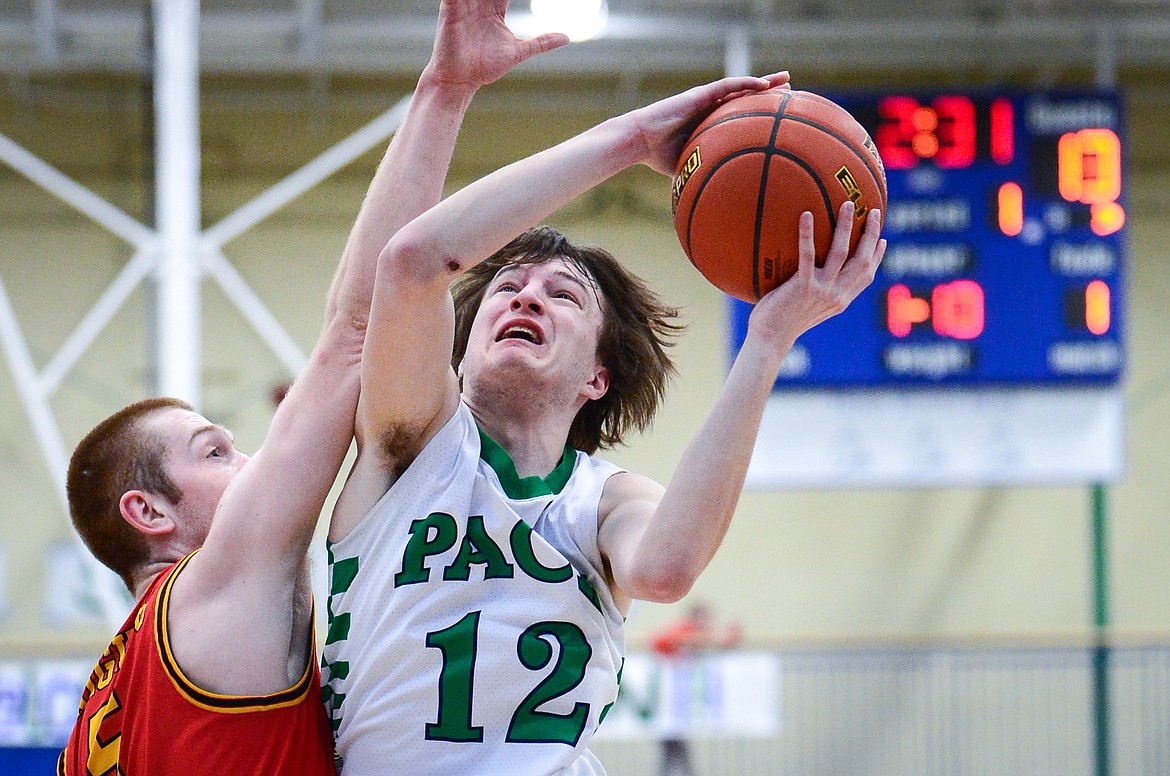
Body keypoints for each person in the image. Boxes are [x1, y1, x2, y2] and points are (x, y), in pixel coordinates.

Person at [322, 68, 886, 774]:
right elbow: (409, 261)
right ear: (458, 351)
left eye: (563, 295)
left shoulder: (605, 500)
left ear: (598, 375)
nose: (528, 298)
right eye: (507, 288)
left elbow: (666, 568)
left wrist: (767, 341)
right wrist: (631, 139)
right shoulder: (406, 445)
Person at [57, 3, 567, 773]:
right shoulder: (207, 598)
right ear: (149, 511)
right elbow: (355, 333)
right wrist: (444, 92)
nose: (252, 459)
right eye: (215, 452)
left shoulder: (102, 713)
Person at [648, 604, 743, 776]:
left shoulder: (699, 638)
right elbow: (659, 641)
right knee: (673, 747)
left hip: (681, 704)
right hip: (670, 702)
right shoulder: (680, 631)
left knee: (673, 749)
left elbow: (720, 645)